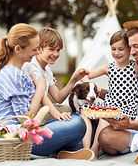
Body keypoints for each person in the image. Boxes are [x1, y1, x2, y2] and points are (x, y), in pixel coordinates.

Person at [0, 23, 94, 160]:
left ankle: (67, 153)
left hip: (20, 133)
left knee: (73, 121)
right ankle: (65, 151)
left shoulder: (17, 71)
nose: (37, 53)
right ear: (18, 49)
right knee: (78, 124)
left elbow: (34, 112)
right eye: (34, 49)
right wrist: (40, 88)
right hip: (14, 140)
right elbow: (26, 119)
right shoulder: (13, 75)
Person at [22, 27, 95, 157]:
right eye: (51, 49)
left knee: (72, 113)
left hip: (42, 116)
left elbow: (58, 97)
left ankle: (68, 151)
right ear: (39, 48)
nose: (55, 54)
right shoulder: (31, 66)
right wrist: (56, 114)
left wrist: (73, 80)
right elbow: (42, 97)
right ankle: (70, 150)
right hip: (31, 120)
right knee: (77, 123)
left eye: (58, 50)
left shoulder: (46, 69)